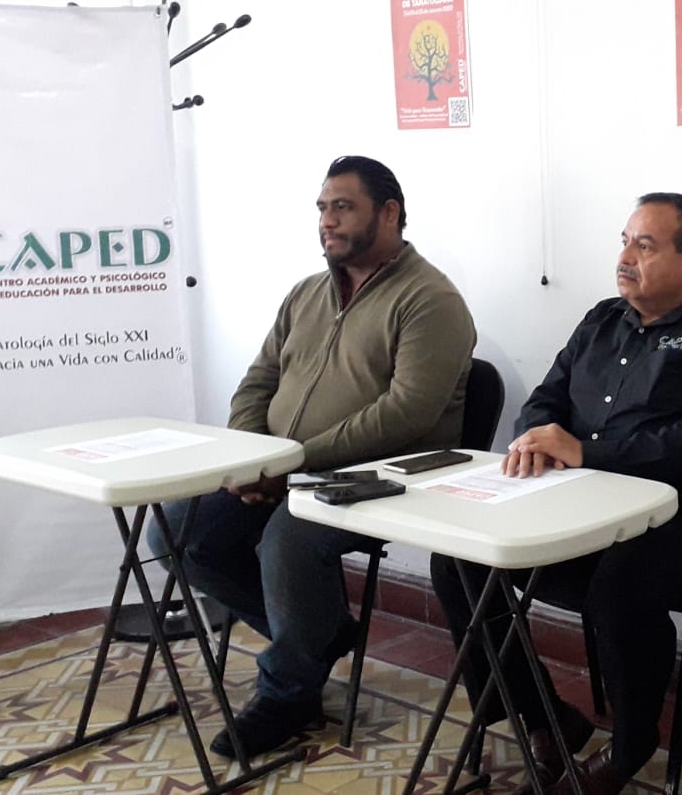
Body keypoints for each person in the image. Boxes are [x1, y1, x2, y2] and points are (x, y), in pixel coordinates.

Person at [430, 193, 682, 795]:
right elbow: (545, 400)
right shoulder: (600, 320)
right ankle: (545, 718)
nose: (625, 257)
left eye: (645, 246)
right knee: (459, 559)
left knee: (619, 588)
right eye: (625, 241)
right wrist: (536, 437)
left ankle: (630, 747)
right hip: (578, 503)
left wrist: (587, 452)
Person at [151, 155, 476, 758]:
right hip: (285, 469)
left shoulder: (430, 300)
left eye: (343, 207)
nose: (327, 220)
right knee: (174, 531)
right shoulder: (305, 294)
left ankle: (288, 693)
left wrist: (291, 465)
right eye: (322, 208)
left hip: (379, 476)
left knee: (288, 540)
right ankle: (316, 636)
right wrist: (254, 456)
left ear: (389, 213)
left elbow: (406, 413)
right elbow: (257, 382)